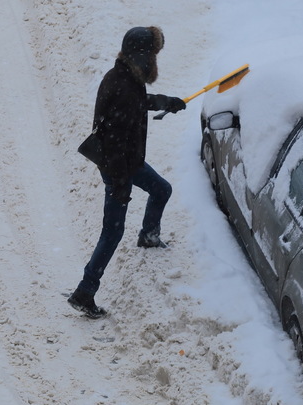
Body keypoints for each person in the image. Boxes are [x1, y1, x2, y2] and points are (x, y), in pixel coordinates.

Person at [68, 26, 186, 318]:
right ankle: (85, 291)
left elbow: (138, 102)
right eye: (154, 55)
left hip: (127, 163)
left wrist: (165, 102)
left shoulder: (124, 76)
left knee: (161, 190)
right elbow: (115, 140)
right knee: (112, 232)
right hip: (119, 167)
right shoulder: (122, 86)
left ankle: (148, 235)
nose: (155, 61)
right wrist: (120, 184)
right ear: (143, 56)